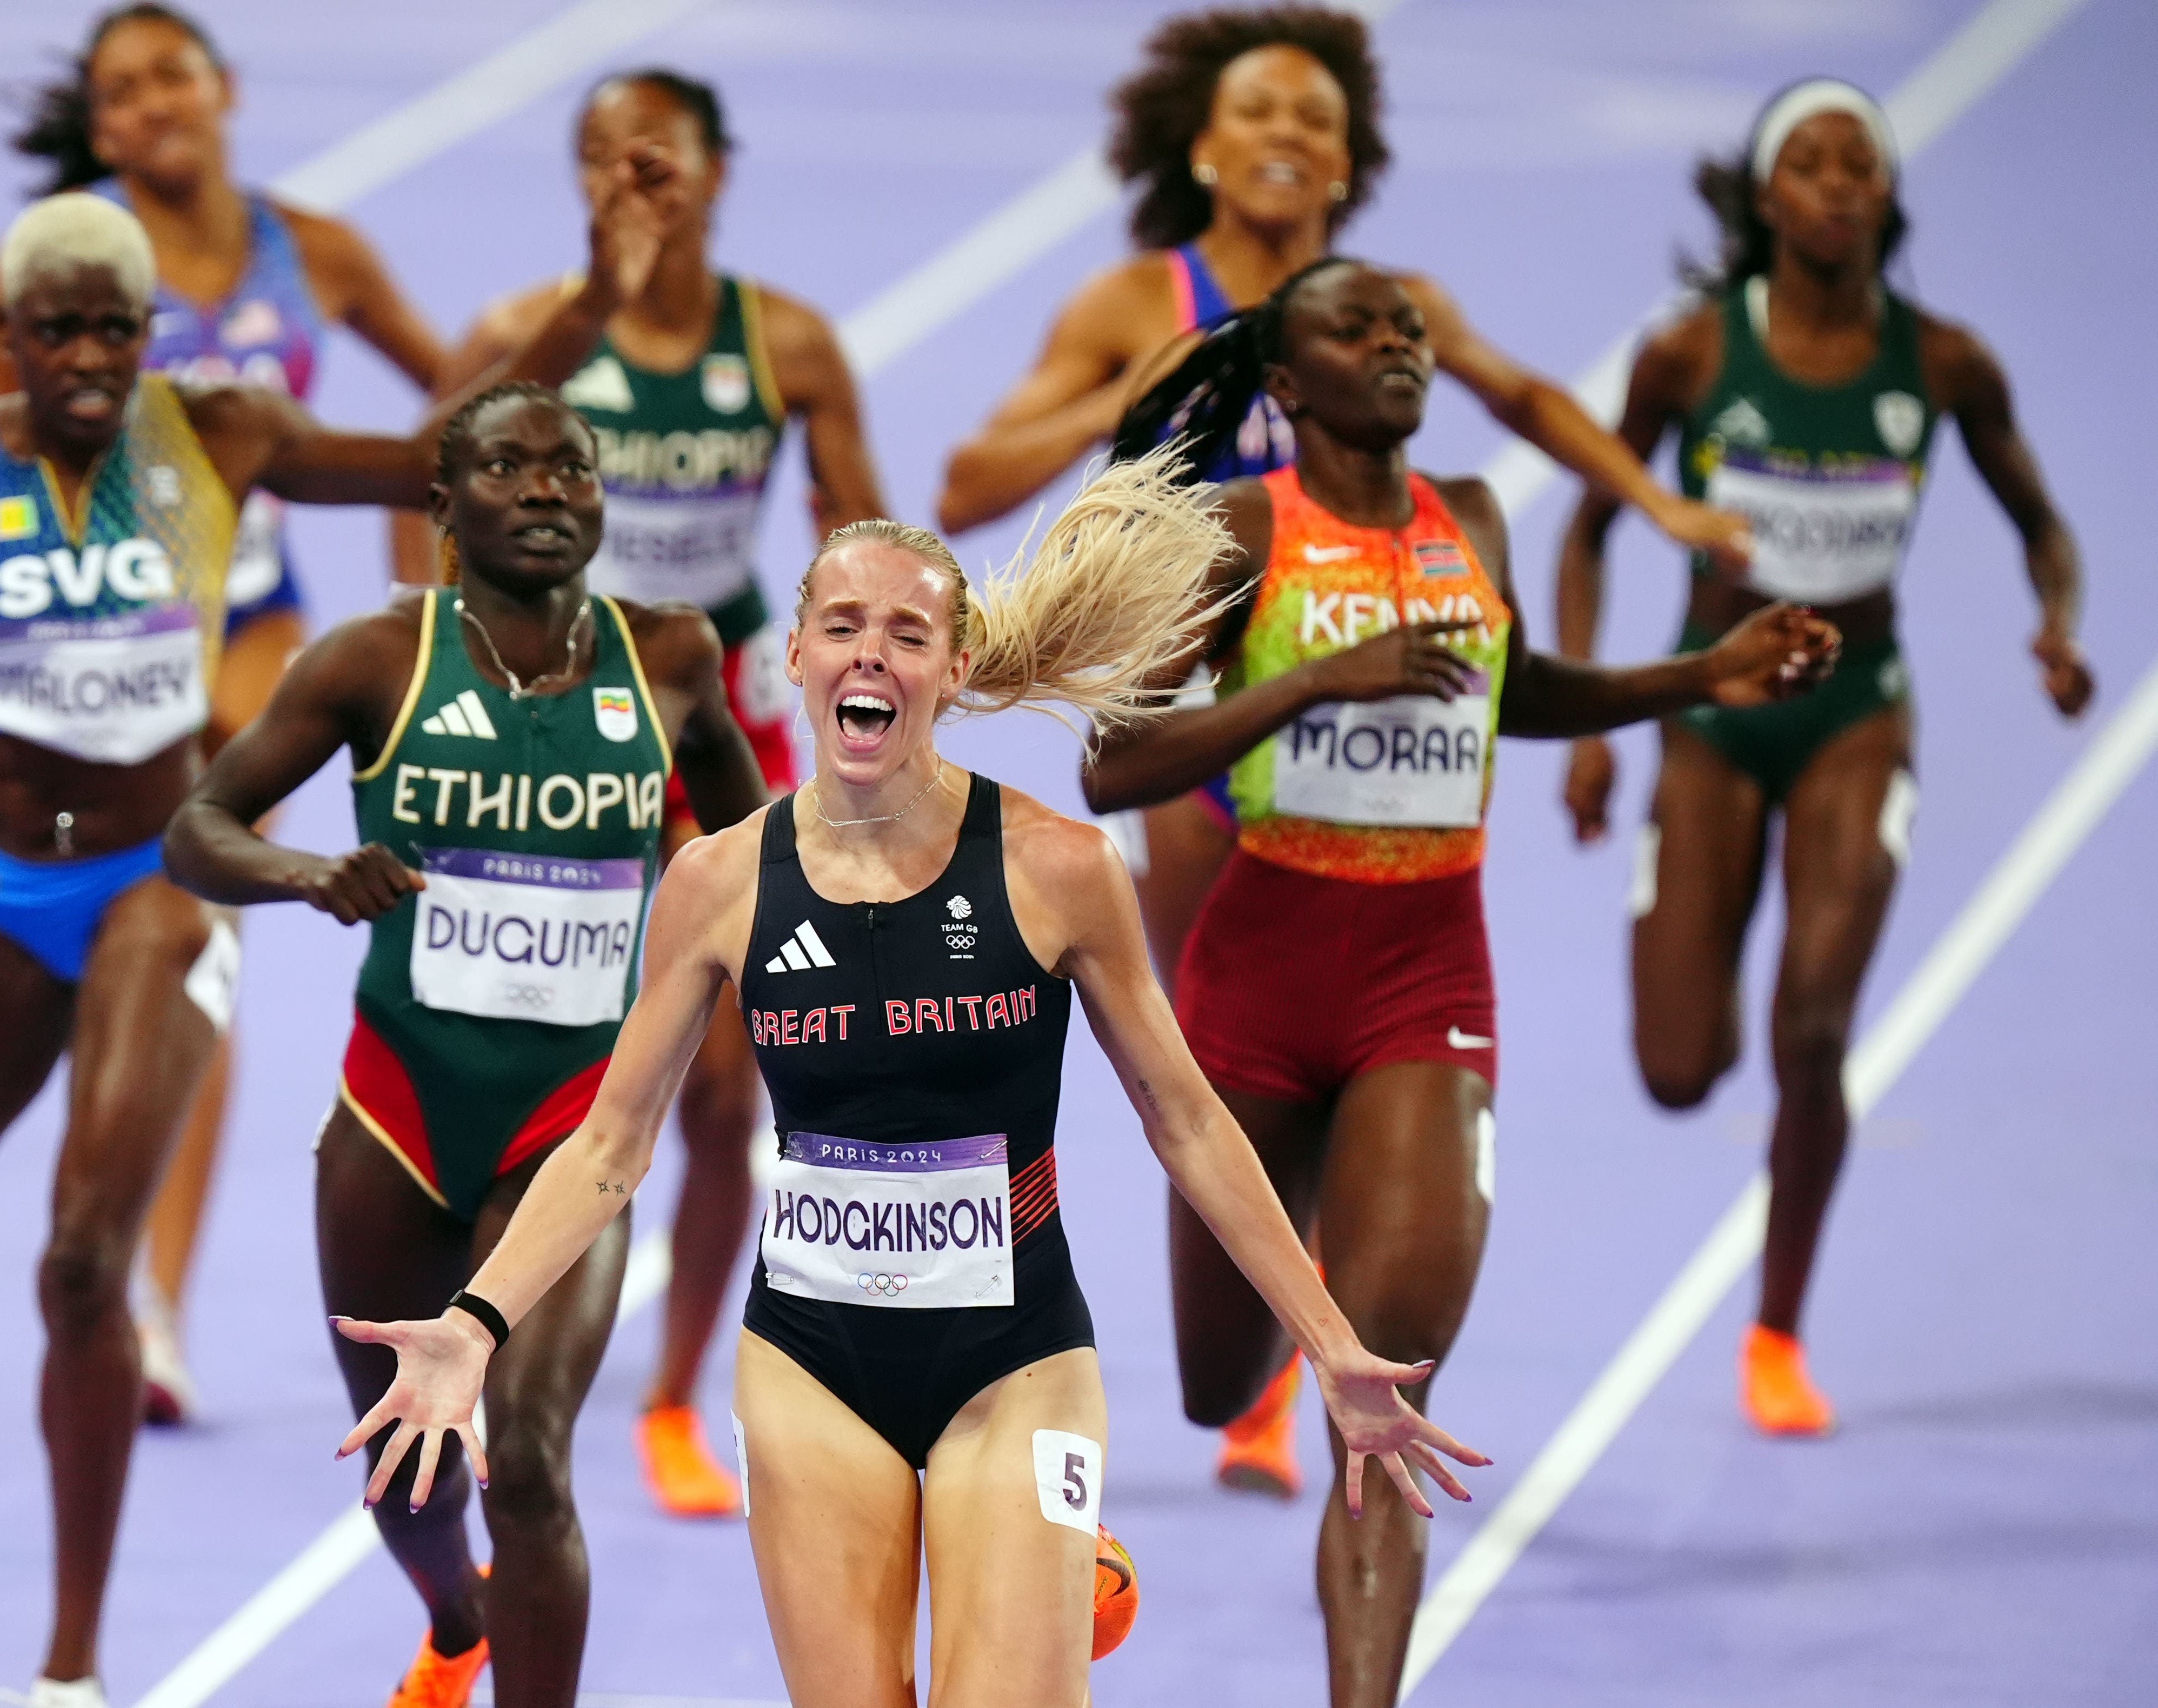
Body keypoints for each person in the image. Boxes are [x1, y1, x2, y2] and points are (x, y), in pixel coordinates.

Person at [329, 452, 1490, 1708]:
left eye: (907, 632)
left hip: (1017, 1360)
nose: (871, 653)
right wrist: (473, 1324)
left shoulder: (1058, 868)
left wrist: (1328, 1346)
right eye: (842, 626)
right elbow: (612, 1146)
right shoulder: (720, 881)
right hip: (812, 1363)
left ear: (952, 668)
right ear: (797, 659)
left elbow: (1186, 1117)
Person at [938, 6, 1751, 1497]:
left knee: (1342, 1033)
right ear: (1202, 146)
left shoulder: (1386, 313)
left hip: (1381, 722)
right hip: (1221, 719)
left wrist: (1669, 510)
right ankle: (1261, 1325)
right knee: (1235, 1049)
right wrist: (1141, 391)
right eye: (1259, 112)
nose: (1288, 140)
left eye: (1317, 120)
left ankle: (1305, 1334)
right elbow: (972, 473)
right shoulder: (1140, 298)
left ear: (1349, 161)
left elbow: (1530, 405)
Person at [1084, 256, 1835, 1707]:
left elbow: (1510, 688)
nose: (1396, 345)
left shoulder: (1471, 517)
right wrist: (1310, 682)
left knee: (1384, 1397)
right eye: (1356, 330)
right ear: (1288, 386)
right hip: (1255, 977)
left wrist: (1695, 675)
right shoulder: (1245, 531)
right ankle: (1295, 1212)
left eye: (1410, 327)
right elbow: (1113, 761)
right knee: (1211, 1383)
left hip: (1427, 982)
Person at [0, 193, 451, 1708]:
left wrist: (559, 334)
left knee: (80, 1262)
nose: (99, 354)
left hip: (157, 881)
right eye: (65, 328)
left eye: (121, 325)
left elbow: (443, 461)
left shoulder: (215, 436)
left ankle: (69, 1667)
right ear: (11, 337)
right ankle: (17, 1041)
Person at [164, 383, 768, 1708]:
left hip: (575, 1127)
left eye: (572, 469)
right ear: (442, 508)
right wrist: (309, 870)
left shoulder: (668, 657)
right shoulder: (376, 657)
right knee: (411, 1471)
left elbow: (758, 859)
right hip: (394, 1116)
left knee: (534, 1457)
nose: (547, 489)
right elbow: (198, 826)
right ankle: (455, 1617)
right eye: (507, 466)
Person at [1552, 79, 2092, 1436]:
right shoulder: (1688, 356)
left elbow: (2044, 522)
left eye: (1864, 163)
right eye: (1812, 161)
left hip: (1859, 715)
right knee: (1681, 1069)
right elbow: (1585, 530)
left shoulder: (1946, 364)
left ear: (1888, 199)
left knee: (1816, 1026)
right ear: (1767, 197)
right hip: (1716, 712)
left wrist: (2056, 627)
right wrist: (1597, 718)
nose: (1841, 181)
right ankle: (1710, 930)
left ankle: (1777, 1335)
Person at [389, 68, 888, 1514]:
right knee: (530, 1044)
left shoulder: (782, 342)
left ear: (715, 175)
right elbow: (419, 524)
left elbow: (858, 537)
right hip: (568, 738)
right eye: (605, 157)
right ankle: (466, 1321)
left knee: (728, 1094)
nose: (635, 181)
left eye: (659, 158)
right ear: (579, 181)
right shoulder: (518, 341)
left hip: (721, 727)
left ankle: (669, 1402)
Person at [0, 2, 457, 1422]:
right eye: (117, 91)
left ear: (221, 86)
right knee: (90, 953)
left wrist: (422, 608)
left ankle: (153, 1309)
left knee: (192, 937)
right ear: (101, 124)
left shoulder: (318, 252)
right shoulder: (55, 262)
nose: (148, 103)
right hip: (86, 641)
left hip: (251, 633)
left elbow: (448, 426)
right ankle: (99, 1242)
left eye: (168, 73)